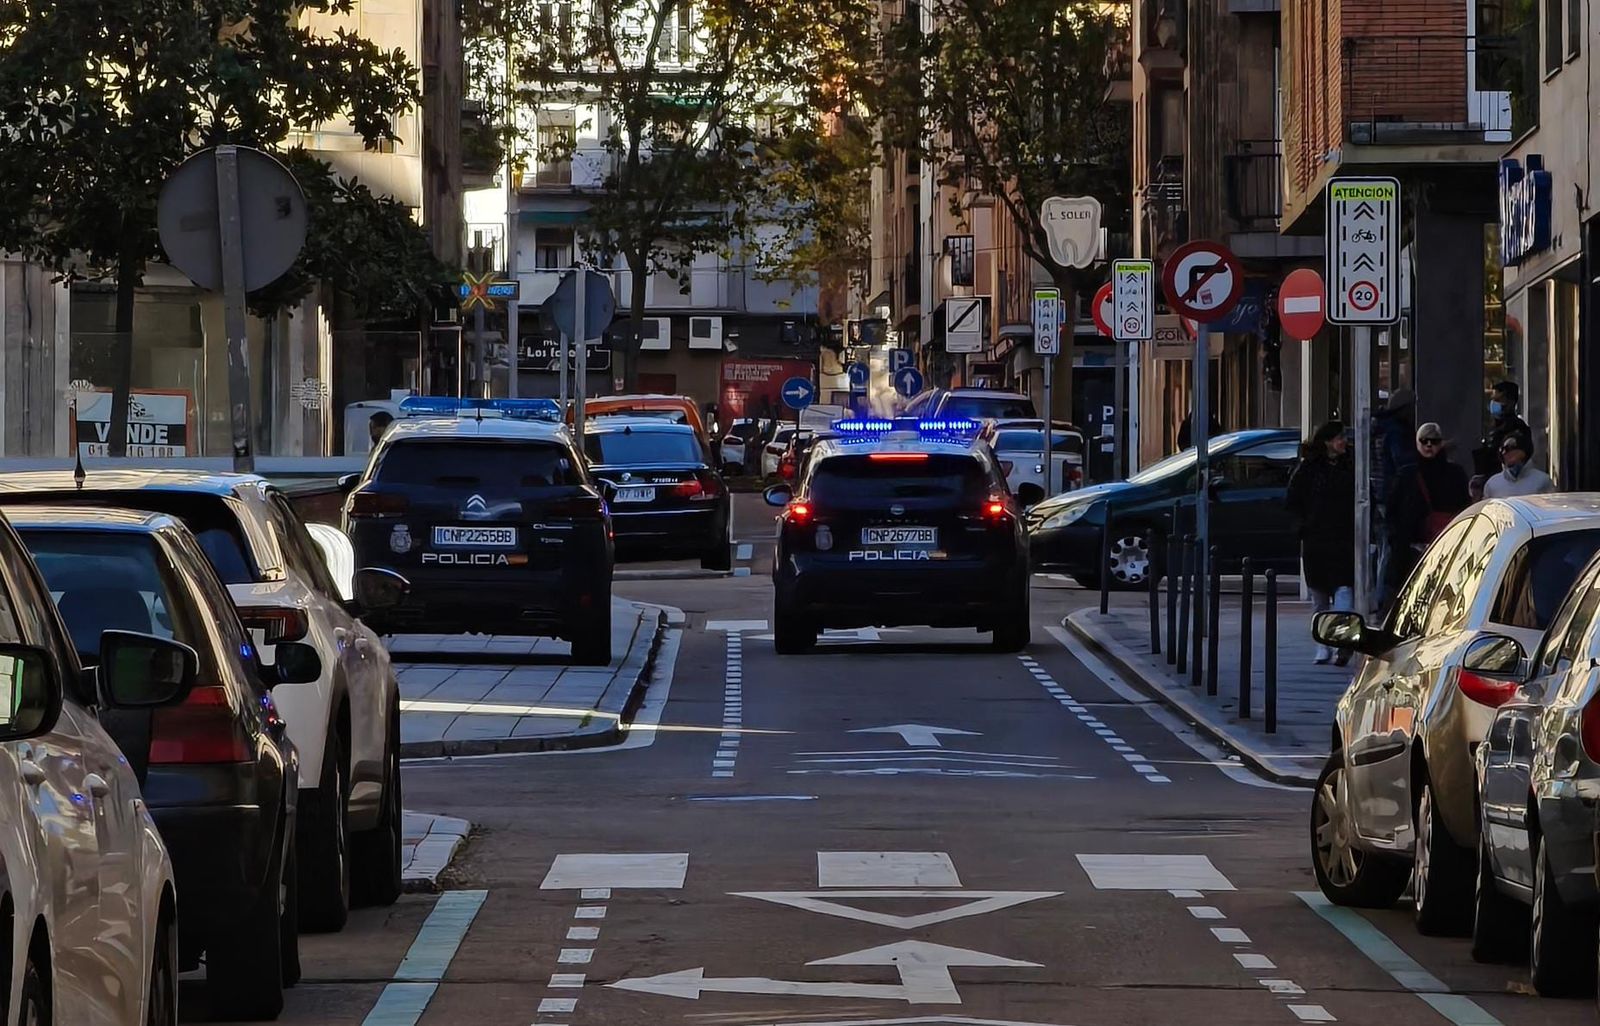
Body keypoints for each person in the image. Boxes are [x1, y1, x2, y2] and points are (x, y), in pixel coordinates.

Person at [1286, 421, 1355, 664]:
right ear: (1327, 442)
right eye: (1339, 438)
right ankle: (1323, 645)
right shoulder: (1308, 469)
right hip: (1316, 540)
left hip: (1343, 539)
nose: (1343, 441)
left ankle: (1341, 643)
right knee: (1320, 598)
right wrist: (1301, 528)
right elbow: (1293, 502)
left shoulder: (1351, 465)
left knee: (1344, 592)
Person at [1384, 422, 1471, 594]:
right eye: (1424, 441)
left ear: (1441, 443)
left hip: (1446, 548)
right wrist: (1397, 540)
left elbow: (1464, 508)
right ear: (1417, 443)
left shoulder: (1455, 474)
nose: (1429, 445)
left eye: (1434, 441)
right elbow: (1392, 511)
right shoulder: (1406, 475)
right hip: (1411, 551)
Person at [1472, 380, 1533, 477]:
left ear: (1510, 402)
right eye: (1493, 399)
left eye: (1498, 400)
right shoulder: (1491, 427)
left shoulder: (1518, 428)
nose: (1493, 404)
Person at [1482, 432, 1554, 497]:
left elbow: (1551, 505)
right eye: (1502, 449)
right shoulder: (1492, 484)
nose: (1505, 452)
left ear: (1524, 450)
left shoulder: (1543, 481)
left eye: (1511, 447)